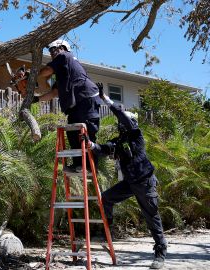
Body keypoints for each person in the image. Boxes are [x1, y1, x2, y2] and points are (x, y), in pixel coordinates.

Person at [86, 88, 167, 269]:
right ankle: (108, 232)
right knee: (106, 198)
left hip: (145, 183)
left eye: (125, 122)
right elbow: (104, 149)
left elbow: (121, 116)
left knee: (152, 217)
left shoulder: (136, 135)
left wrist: (105, 99)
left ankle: (160, 254)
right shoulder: (119, 140)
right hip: (130, 183)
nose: (121, 125)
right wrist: (90, 144)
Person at [37, 39, 101, 172]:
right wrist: (36, 100)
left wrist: (34, 75)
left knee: (87, 133)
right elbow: (54, 93)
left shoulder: (65, 56)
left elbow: (47, 70)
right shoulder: (63, 73)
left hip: (86, 99)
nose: (53, 53)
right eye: (50, 51)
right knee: (73, 133)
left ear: (63, 48)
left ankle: (90, 166)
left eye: (54, 49)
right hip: (76, 105)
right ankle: (79, 164)